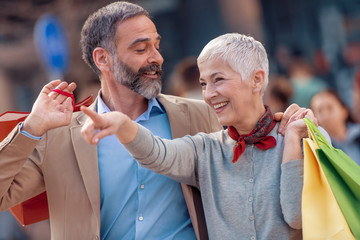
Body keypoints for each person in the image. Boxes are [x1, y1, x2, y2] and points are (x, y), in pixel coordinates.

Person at [0, 2, 302, 239]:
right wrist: (32, 127)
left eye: (156, 45)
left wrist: (289, 127)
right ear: (103, 59)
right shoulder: (59, 135)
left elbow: (255, 164)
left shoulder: (202, 115)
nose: (156, 57)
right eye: (141, 48)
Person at [80, 33, 316, 239]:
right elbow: (158, 153)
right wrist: (123, 125)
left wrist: (293, 142)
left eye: (218, 80)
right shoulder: (205, 150)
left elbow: (297, 216)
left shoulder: (301, 134)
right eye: (204, 83)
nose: (209, 94)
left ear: (257, 79)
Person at [311, 89, 360, 165]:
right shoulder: (318, 146)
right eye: (320, 110)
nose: (325, 115)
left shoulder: (357, 134)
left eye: (330, 108)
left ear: (344, 110)